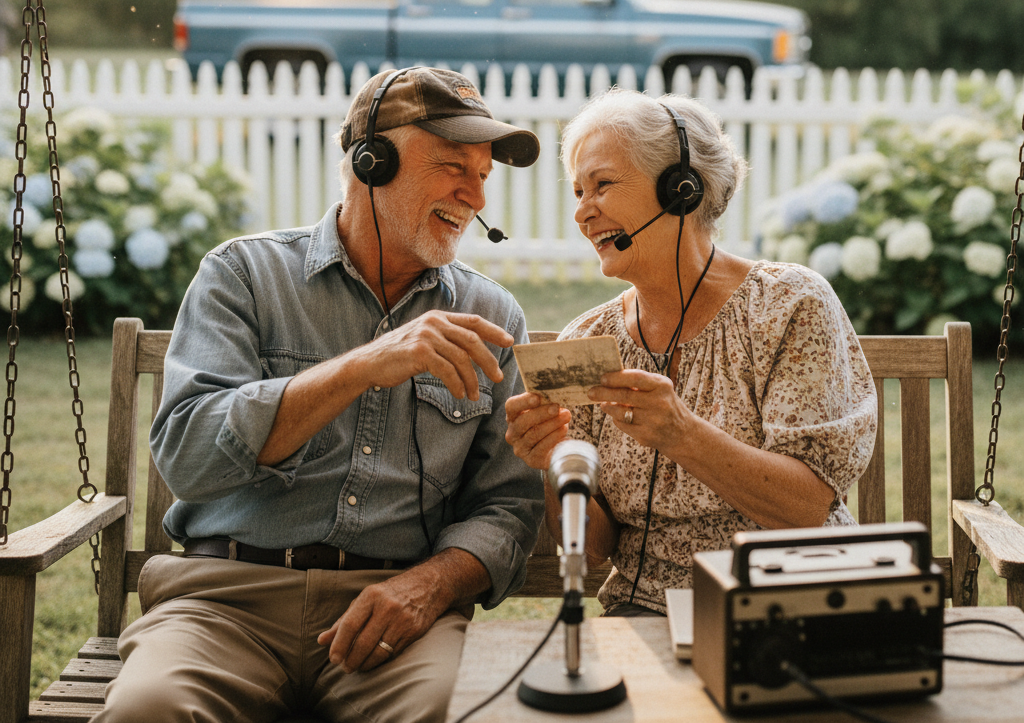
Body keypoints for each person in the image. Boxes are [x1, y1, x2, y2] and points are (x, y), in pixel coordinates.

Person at [97, 67, 545, 723]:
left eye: (484, 174)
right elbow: (188, 458)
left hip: (396, 611)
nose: (475, 196)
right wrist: (363, 365)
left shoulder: (492, 314)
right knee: (149, 711)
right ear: (372, 160)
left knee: (456, 713)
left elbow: (508, 505)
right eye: (454, 166)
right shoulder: (242, 275)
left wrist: (430, 586)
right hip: (223, 605)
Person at [505, 89, 876, 616]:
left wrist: (680, 433)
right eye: (577, 192)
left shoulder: (789, 303)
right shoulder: (588, 339)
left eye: (602, 185)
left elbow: (806, 507)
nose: (582, 214)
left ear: (682, 189)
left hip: (792, 598)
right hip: (647, 610)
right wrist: (553, 465)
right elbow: (595, 549)